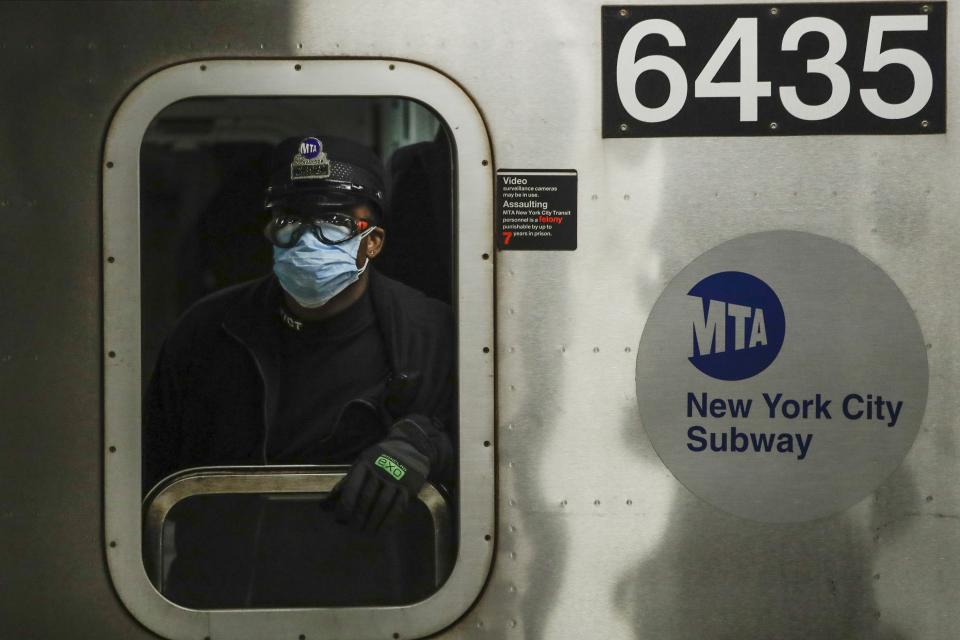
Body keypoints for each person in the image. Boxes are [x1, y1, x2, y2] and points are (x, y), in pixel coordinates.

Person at [142, 135, 456, 603]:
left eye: (334, 222)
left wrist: (414, 447)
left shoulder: (429, 333)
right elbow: (151, 465)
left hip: (372, 605)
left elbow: (475, 447)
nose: (308, 240)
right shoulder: (207, 332)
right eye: (289, 221)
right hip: (221, 604)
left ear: (374, 241)